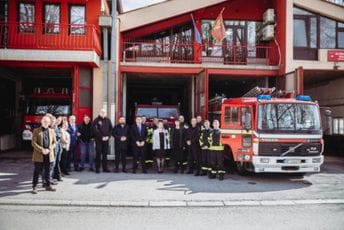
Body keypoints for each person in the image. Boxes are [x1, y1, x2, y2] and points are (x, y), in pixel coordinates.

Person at [31, 115, 57, 194]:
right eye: (44, 121)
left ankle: (48, 185)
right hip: (39, 155)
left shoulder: (52, 131)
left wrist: (49, 149)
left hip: (49, 154)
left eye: (47, 121)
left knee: (48, 171)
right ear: (41, 122)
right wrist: (42, 150)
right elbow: (33, 143)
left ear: (49, 123)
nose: (46, 123)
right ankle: (34, 186)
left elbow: (54, 142)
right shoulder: (36, 130)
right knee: (37, 171)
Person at [92, 109, 112, 173]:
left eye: (104, 112)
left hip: (106, 140)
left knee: (105, 155)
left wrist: (108, 136)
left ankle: (105, 168)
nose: (103, 113)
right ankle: (97, 168)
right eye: (102, 112)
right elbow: (95, 130)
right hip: (98, 140)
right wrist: (102, 137)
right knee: (98, 154)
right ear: (99, 113)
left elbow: (111, 129)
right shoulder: (96, 120)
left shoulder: (108, 120)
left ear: (105, 113)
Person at [51, 116, 63, 182]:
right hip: (53, 148)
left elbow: (59, 136)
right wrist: (56, 134)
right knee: (53, 163)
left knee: (57, 162)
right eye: (57, 120)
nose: (58, 121)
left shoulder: (58, 128)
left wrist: (56, 134)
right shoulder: (52, 128)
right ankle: (51, 178)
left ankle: (57, 176)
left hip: (58, 148)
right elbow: (57, 136)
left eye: (60, 120)